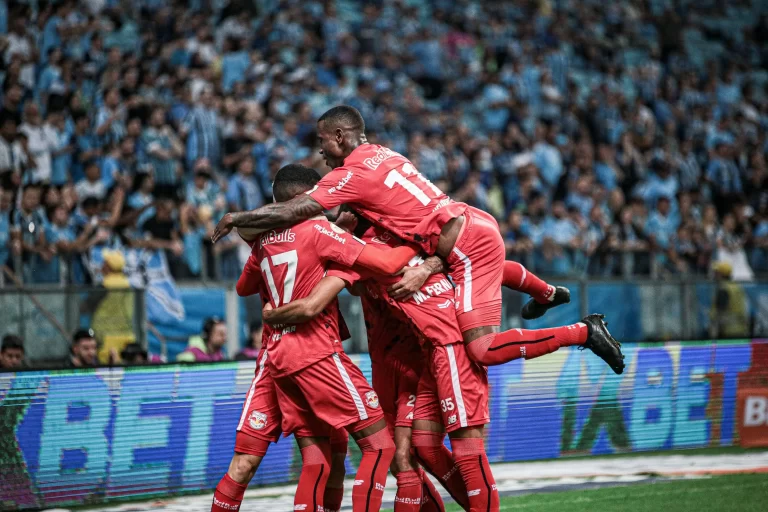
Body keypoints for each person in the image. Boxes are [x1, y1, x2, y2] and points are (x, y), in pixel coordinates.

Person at [213, 106, 625, 376]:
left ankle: (582, 332)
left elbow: (297, 210)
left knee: (480, 349)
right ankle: (547, 290)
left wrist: (239, 218)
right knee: (482, 271)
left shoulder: (349, 176)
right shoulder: (384, 154)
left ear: (339, 135)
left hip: (463, 242)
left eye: (322, 142)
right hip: (468, 225)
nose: (321, 153)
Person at [213, 164, 405, 512]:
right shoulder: (319, 230)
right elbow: (385, 265)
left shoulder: (261, 242)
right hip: (316, 353)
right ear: (304, 199)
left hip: (274, 357)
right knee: (378, 446)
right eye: (320, 196)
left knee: (312, 459)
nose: (327, 201)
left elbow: (243, 288)